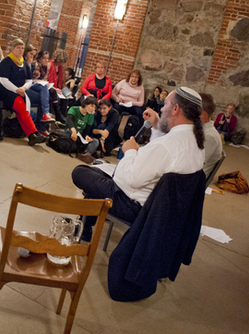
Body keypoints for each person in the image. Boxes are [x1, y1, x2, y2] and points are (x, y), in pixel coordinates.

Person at [72, 87, 205, 241]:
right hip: (160, 210)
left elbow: (132, 179)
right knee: (99, 173)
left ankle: (84, 227)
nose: (162, 108)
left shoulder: (167, 145)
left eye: (166, 104)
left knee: (81, 172)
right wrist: (156, 123)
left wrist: (130, 151)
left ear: (175, 109)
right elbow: (159, 158)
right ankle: (84, 227)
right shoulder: (195, 142)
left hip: (134, 205)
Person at [0, 39, 46, 145]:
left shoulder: (24, 64)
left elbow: (29, 81)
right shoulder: (6, 62)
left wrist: (23, 88)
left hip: (20, 92)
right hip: (6, 92)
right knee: (21, 107)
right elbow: (3, 80)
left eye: (22, 48)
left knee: (22, 109)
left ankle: (31, 135)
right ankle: (33, 132)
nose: (20, 50)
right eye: (18, 48)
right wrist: (17, 90)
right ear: (12, 49)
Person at [65, 96, 100, 164]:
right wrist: (74, 130)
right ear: (85, 104)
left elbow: (87, 130)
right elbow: (69, 121)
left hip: (80, 137)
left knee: (95, 141)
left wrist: (86, 136)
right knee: (69, 132)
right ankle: (83, 150)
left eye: (94, 107)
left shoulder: (91, 115)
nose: (93, 109)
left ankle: (87, 155)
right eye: (91, 106)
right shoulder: (74, 109)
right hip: (71, 134)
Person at [27, 49, 55, 124]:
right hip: (31, 85)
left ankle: (44, 125)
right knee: (44, 90)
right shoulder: (35, 65)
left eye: (47, 58)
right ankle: (46, 113)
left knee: (51, 93)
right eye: (44, 58)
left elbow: (45, 79)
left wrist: (45, 82)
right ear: (40, 59)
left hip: (40, 86)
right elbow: (32, 79)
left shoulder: (46, 67)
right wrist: (43, 82)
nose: (46, 60)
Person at [199, 92, 223, 176]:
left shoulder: (209, 136)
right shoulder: (201, 130)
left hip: (193, 182)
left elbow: (194, 165)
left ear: (202, 114)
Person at [47, 49, 69, 122]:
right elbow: (47, 81)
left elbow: (62, 82)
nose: (61, 63)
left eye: (62, 62)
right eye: (60, 61)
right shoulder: (49, 65)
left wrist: (67, 92)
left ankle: (63, 116)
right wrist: (55, 89)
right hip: (51, 88)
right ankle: (58, 116)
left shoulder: (60, 68)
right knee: (57, 97)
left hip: (58, 88)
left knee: (67, 98)